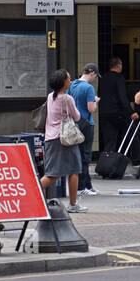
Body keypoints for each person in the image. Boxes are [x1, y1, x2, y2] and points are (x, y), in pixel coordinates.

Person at [40, 69, 85, 213]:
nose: (70, 82)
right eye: (69, 79)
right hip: (64, 139)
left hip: (50, 138)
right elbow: (77, 117)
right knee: (69, 171)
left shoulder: (50, 97)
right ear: (63, 82)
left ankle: (40, 203)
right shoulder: (67, 98)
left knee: (53, 172)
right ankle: (72, 204)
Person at [70, 64, 99, 197]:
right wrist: (96, 101)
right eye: (95, 76)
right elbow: (91, 108)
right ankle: (82, 186)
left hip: (74, 124)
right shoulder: (89, 88)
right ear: (92, 73)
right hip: (87, 124)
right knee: (85, 156)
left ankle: (88, 185)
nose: (95, 78)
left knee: (79, 154)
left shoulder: (72, 84)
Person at [98, 57, 132, 162]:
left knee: (110, 139)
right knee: (130, 131)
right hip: (117, 112)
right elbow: (122, 96)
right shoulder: (119, 78)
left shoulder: (103, 78)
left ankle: (107, 164)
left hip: (104, 112)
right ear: (118, 65)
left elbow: (100, 94)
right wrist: (131, 111)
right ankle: (135, 159)